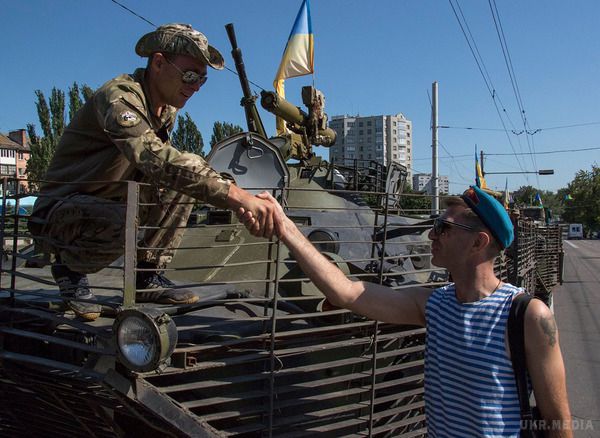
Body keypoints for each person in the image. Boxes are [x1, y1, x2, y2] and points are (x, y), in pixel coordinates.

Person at [238, 186, 572, 437]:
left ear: (478, 242)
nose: (431, 234)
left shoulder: (527, 316)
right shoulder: (434, 306)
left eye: (443, 228)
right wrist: (285, 228)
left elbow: (558, 421)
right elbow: (347, 292)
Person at [28, 23, 276, 321]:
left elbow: (172, 171)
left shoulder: (164, 110)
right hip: (60, 215)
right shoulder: (120, 98)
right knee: (141, 202)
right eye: (190, 75)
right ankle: (69, 269)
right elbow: (153, 158)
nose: (195, 86)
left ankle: (147, 276)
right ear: (158, 63)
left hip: (106, 203)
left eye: (202, 80)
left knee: (182, 179)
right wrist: (234, 195)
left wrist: (220, 185)